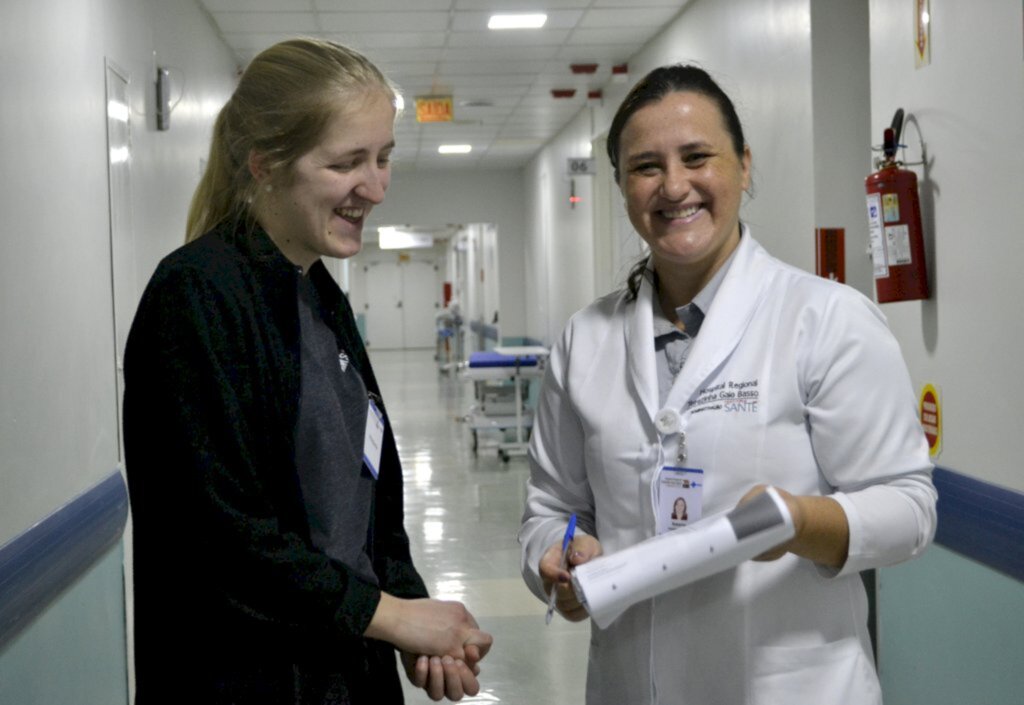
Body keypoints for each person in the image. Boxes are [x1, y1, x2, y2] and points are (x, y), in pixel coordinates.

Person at [518, 64, 937, 705]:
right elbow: (552, 511)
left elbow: (909, 509)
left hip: (791, 687)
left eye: (696, 157)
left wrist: (801, 521)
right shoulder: (585, 339)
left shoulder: (825, 318)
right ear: (623, 186)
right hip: (634, 683)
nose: (674, 185)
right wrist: (555, 559)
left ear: (743, 165)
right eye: (646, 166)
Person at [123, 38, 492, 704]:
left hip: (344, 669)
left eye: (383, 158)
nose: (376, 188)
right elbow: (223, 536)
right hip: (248, 679)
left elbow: (367, 491)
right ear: (264, 164)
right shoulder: (197, 297)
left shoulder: (319, 293)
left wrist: (407, 608)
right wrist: (391, 615)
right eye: (347, 163)